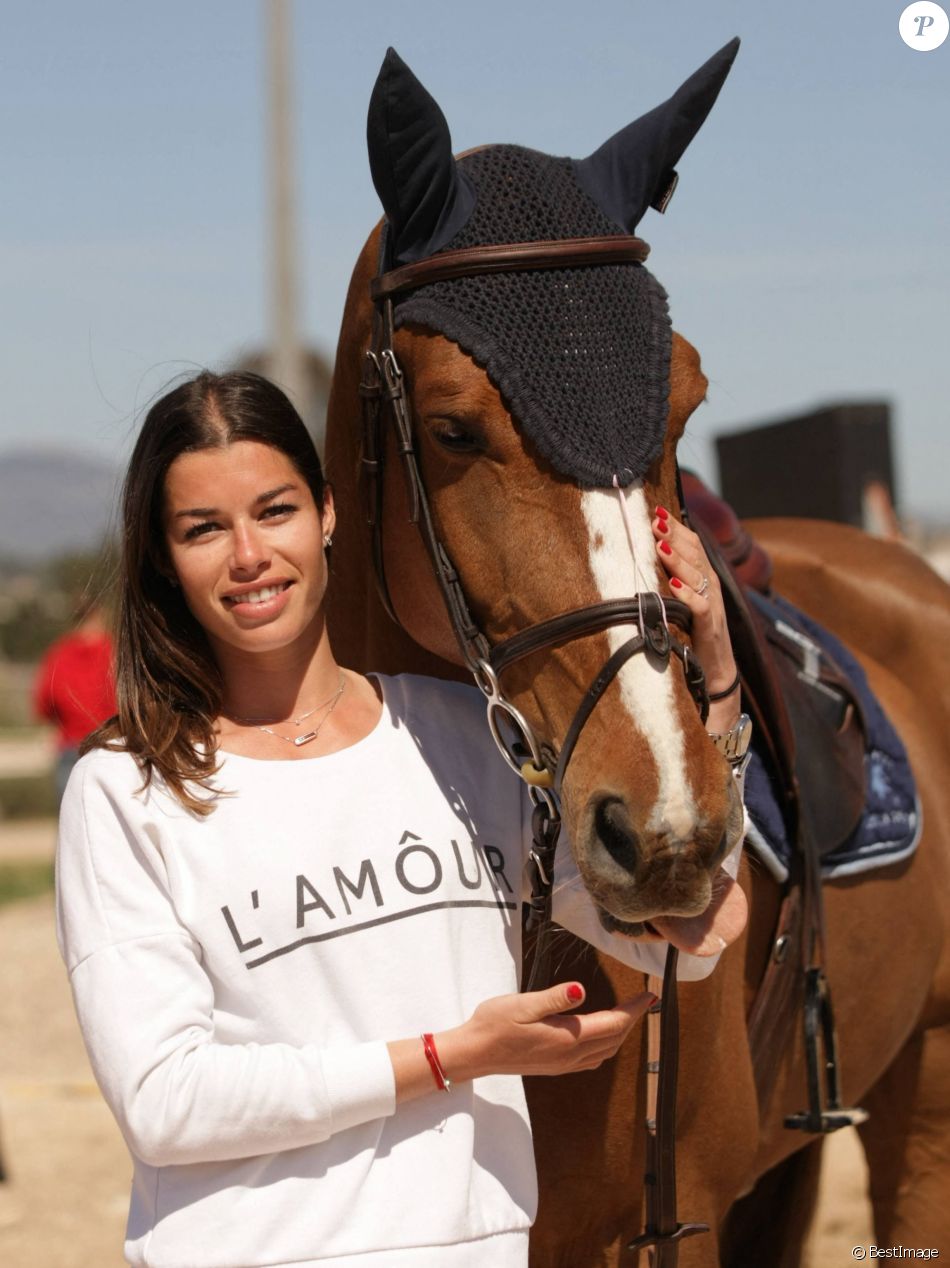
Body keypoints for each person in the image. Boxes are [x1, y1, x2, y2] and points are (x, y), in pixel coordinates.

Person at [55, 371, 745, 1268]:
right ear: (161, 556)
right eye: (202, 529)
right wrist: (452, 1054)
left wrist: (717, 674)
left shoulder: (466, 735)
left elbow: (685, 933)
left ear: (329, 513)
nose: (249, 555)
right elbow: (166, 1102)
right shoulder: (124, 790)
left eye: (274, 511)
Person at [33, 595, 116, 800]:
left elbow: (45, 700)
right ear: (100, 615)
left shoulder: (59, 653)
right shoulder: (115, 651)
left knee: (69, 820)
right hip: (112, 743)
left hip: (70, 744)